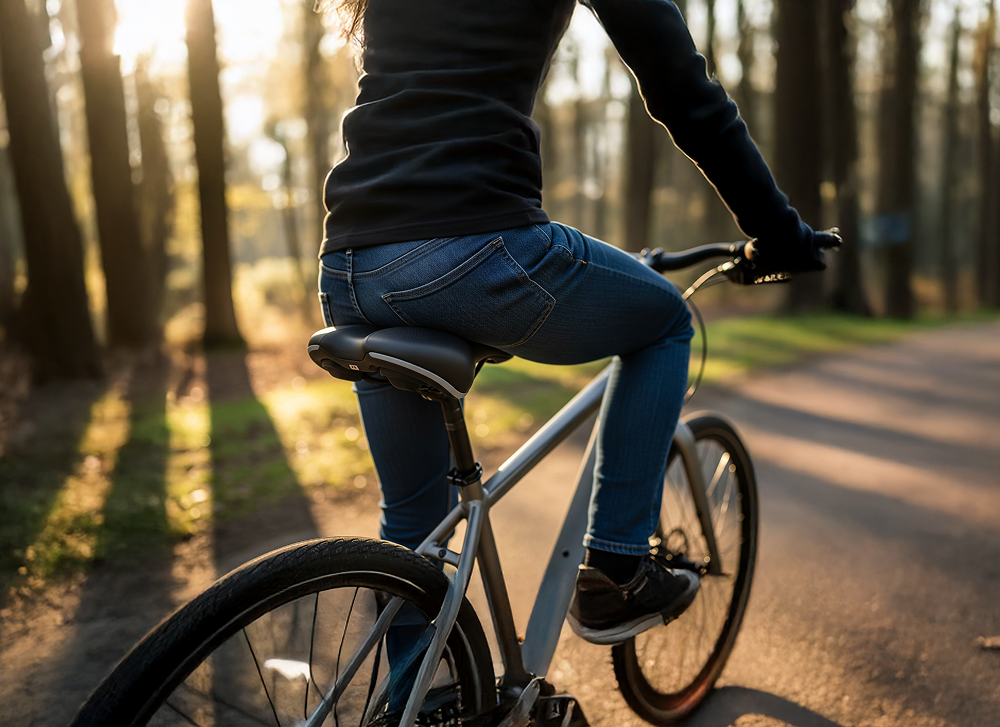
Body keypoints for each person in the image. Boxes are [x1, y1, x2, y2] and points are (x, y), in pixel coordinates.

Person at [317, 0, 836, 645]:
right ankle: (619, 570)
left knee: (415, 532)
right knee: (665, 323)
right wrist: (778, 232)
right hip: (478, 247)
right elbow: (681, 87)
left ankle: (425, 702)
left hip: (352, 263)